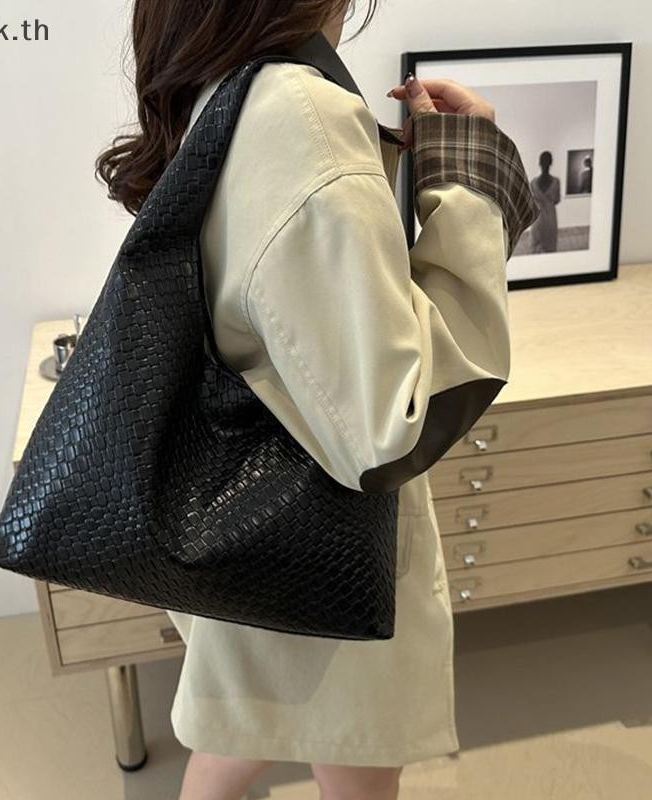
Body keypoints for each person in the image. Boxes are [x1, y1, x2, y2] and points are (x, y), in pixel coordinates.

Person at [95, 2, 538, 798]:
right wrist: (470, 183)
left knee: (248, 729)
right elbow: (396, 422)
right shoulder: (304, 116)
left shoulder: (224, 83)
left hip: (247, 512)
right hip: (330, 533)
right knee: (342, 749)